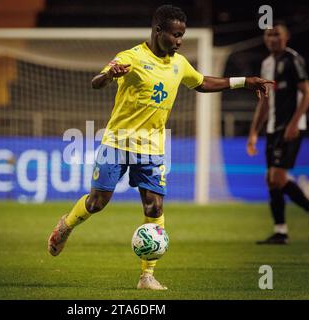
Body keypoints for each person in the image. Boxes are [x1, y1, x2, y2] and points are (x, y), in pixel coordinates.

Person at [48, 5, 273, 290]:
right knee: (97, 203)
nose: (179, 41)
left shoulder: (179, 64)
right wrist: (109, 75)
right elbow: (97, 82)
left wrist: (244, 82)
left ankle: (147, 275)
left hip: (152, 148)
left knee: (154, 207)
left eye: (182, 35)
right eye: (175, 35)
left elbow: (202, 82)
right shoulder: (131, 57)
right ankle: (65, 227)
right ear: (158, 31)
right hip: (116, 143)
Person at [247, 22, 309, 245]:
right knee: (271, 180)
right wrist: (254, 132)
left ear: (286, 37)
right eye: (269, 35)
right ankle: (286, 229)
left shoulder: (293, 59)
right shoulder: (265, 64)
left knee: (277, 177)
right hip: (273, 128)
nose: (272, 38)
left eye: (277, 34)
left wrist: (294, 123)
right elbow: (264, 103)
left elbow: (308, 94)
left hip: (291, 127)